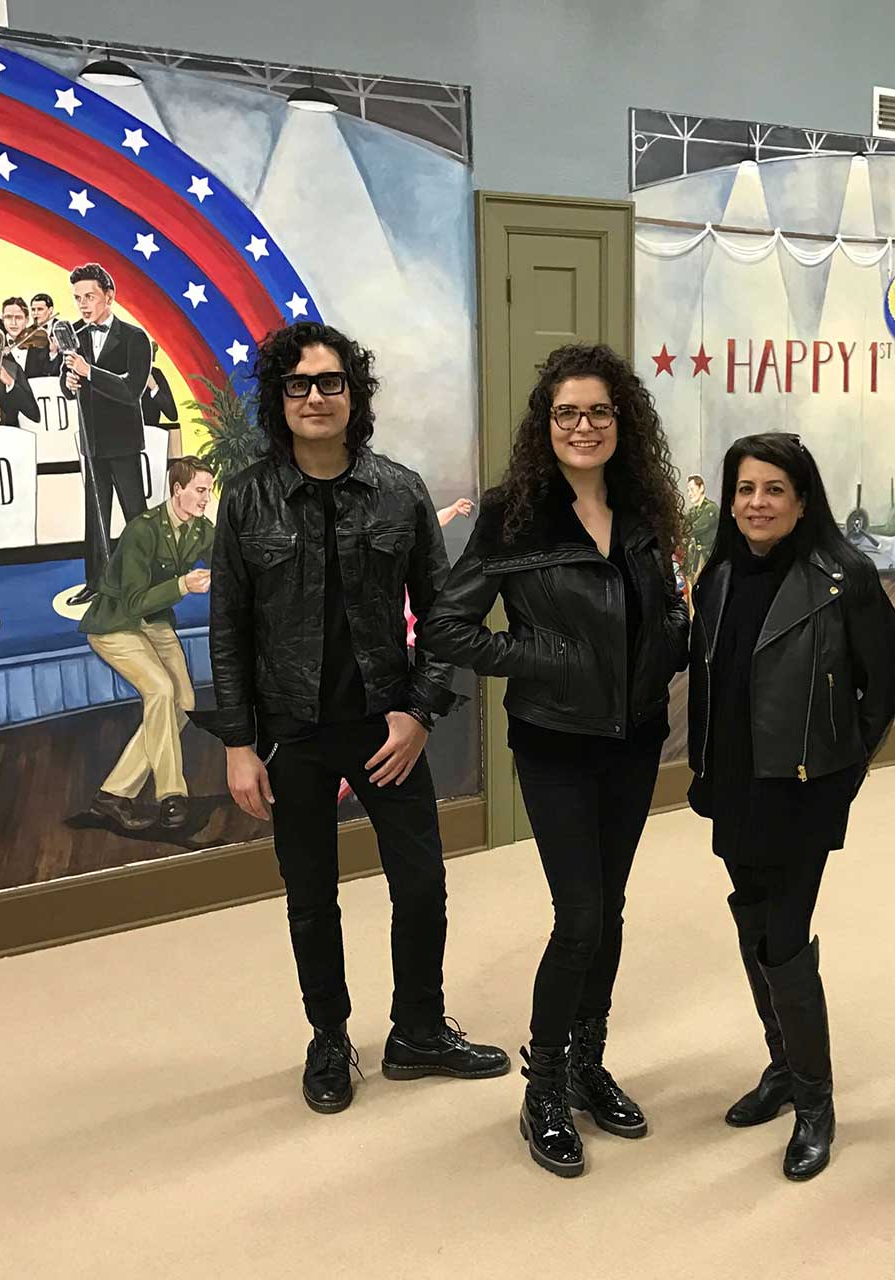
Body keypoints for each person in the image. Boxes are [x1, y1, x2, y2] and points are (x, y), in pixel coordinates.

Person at [201, 319, 506, 1115]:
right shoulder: (247, 497)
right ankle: (329, 1037)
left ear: (352, 394)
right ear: (279, 398)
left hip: (386, 730)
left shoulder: (400, 491)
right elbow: (227, 628)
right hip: (290, 733)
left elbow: (442, 620)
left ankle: (417, 1033)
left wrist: (420, 716)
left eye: (330, 381)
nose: (314, 397)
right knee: (311, 894)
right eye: (298, 384)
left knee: (423, 885)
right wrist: (238, 743)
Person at [425, 343, 689, 1178]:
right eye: (567, 412)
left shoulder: (645, 507)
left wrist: (675, 642)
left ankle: (586, 1063)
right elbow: (446, 627)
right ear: (547, 424)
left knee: (609, 909)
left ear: (623, 422)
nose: (584, 426)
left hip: (636, 738)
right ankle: (542, 1085)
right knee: (578, 915)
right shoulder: (512, 515)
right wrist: (543, 656)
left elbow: (657, 613)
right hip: (555, 742)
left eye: (599, 412)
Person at [685, 432, 895, 1183]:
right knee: (750, 921)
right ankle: (782, 1068)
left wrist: (844, 773)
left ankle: (816, 1100)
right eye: (744, 489)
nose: (756, 504)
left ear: (802, 498)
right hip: (737, 784)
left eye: (774, 489)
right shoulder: (715, 577)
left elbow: (883, 688)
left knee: (782, 934)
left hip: (807, 787)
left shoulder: (844, 577)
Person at [80, 456, 216, 833]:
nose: (207, 498)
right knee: (160, 689)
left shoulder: (200, 529)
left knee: (184, 703)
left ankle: (112, 795)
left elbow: (229, 559)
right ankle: (172, 795)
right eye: (200, 490)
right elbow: (134, 602)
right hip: (116, 623)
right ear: (178, 490)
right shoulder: (142, 530)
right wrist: (183, 586)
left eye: (209, 490)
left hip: (154, 624)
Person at [60, 262, 155, 605]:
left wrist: (89, 372)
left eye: (89, 296)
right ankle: (96, 582)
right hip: (92, 441)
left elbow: (132, 391)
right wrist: (69, 382)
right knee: (95, 516)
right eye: (77, 298)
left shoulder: (135, 338)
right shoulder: (75, 335)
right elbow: (67, 377)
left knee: (135, 515)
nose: (83, 304)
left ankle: (144, 584)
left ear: (109, 296)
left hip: (124, 442)